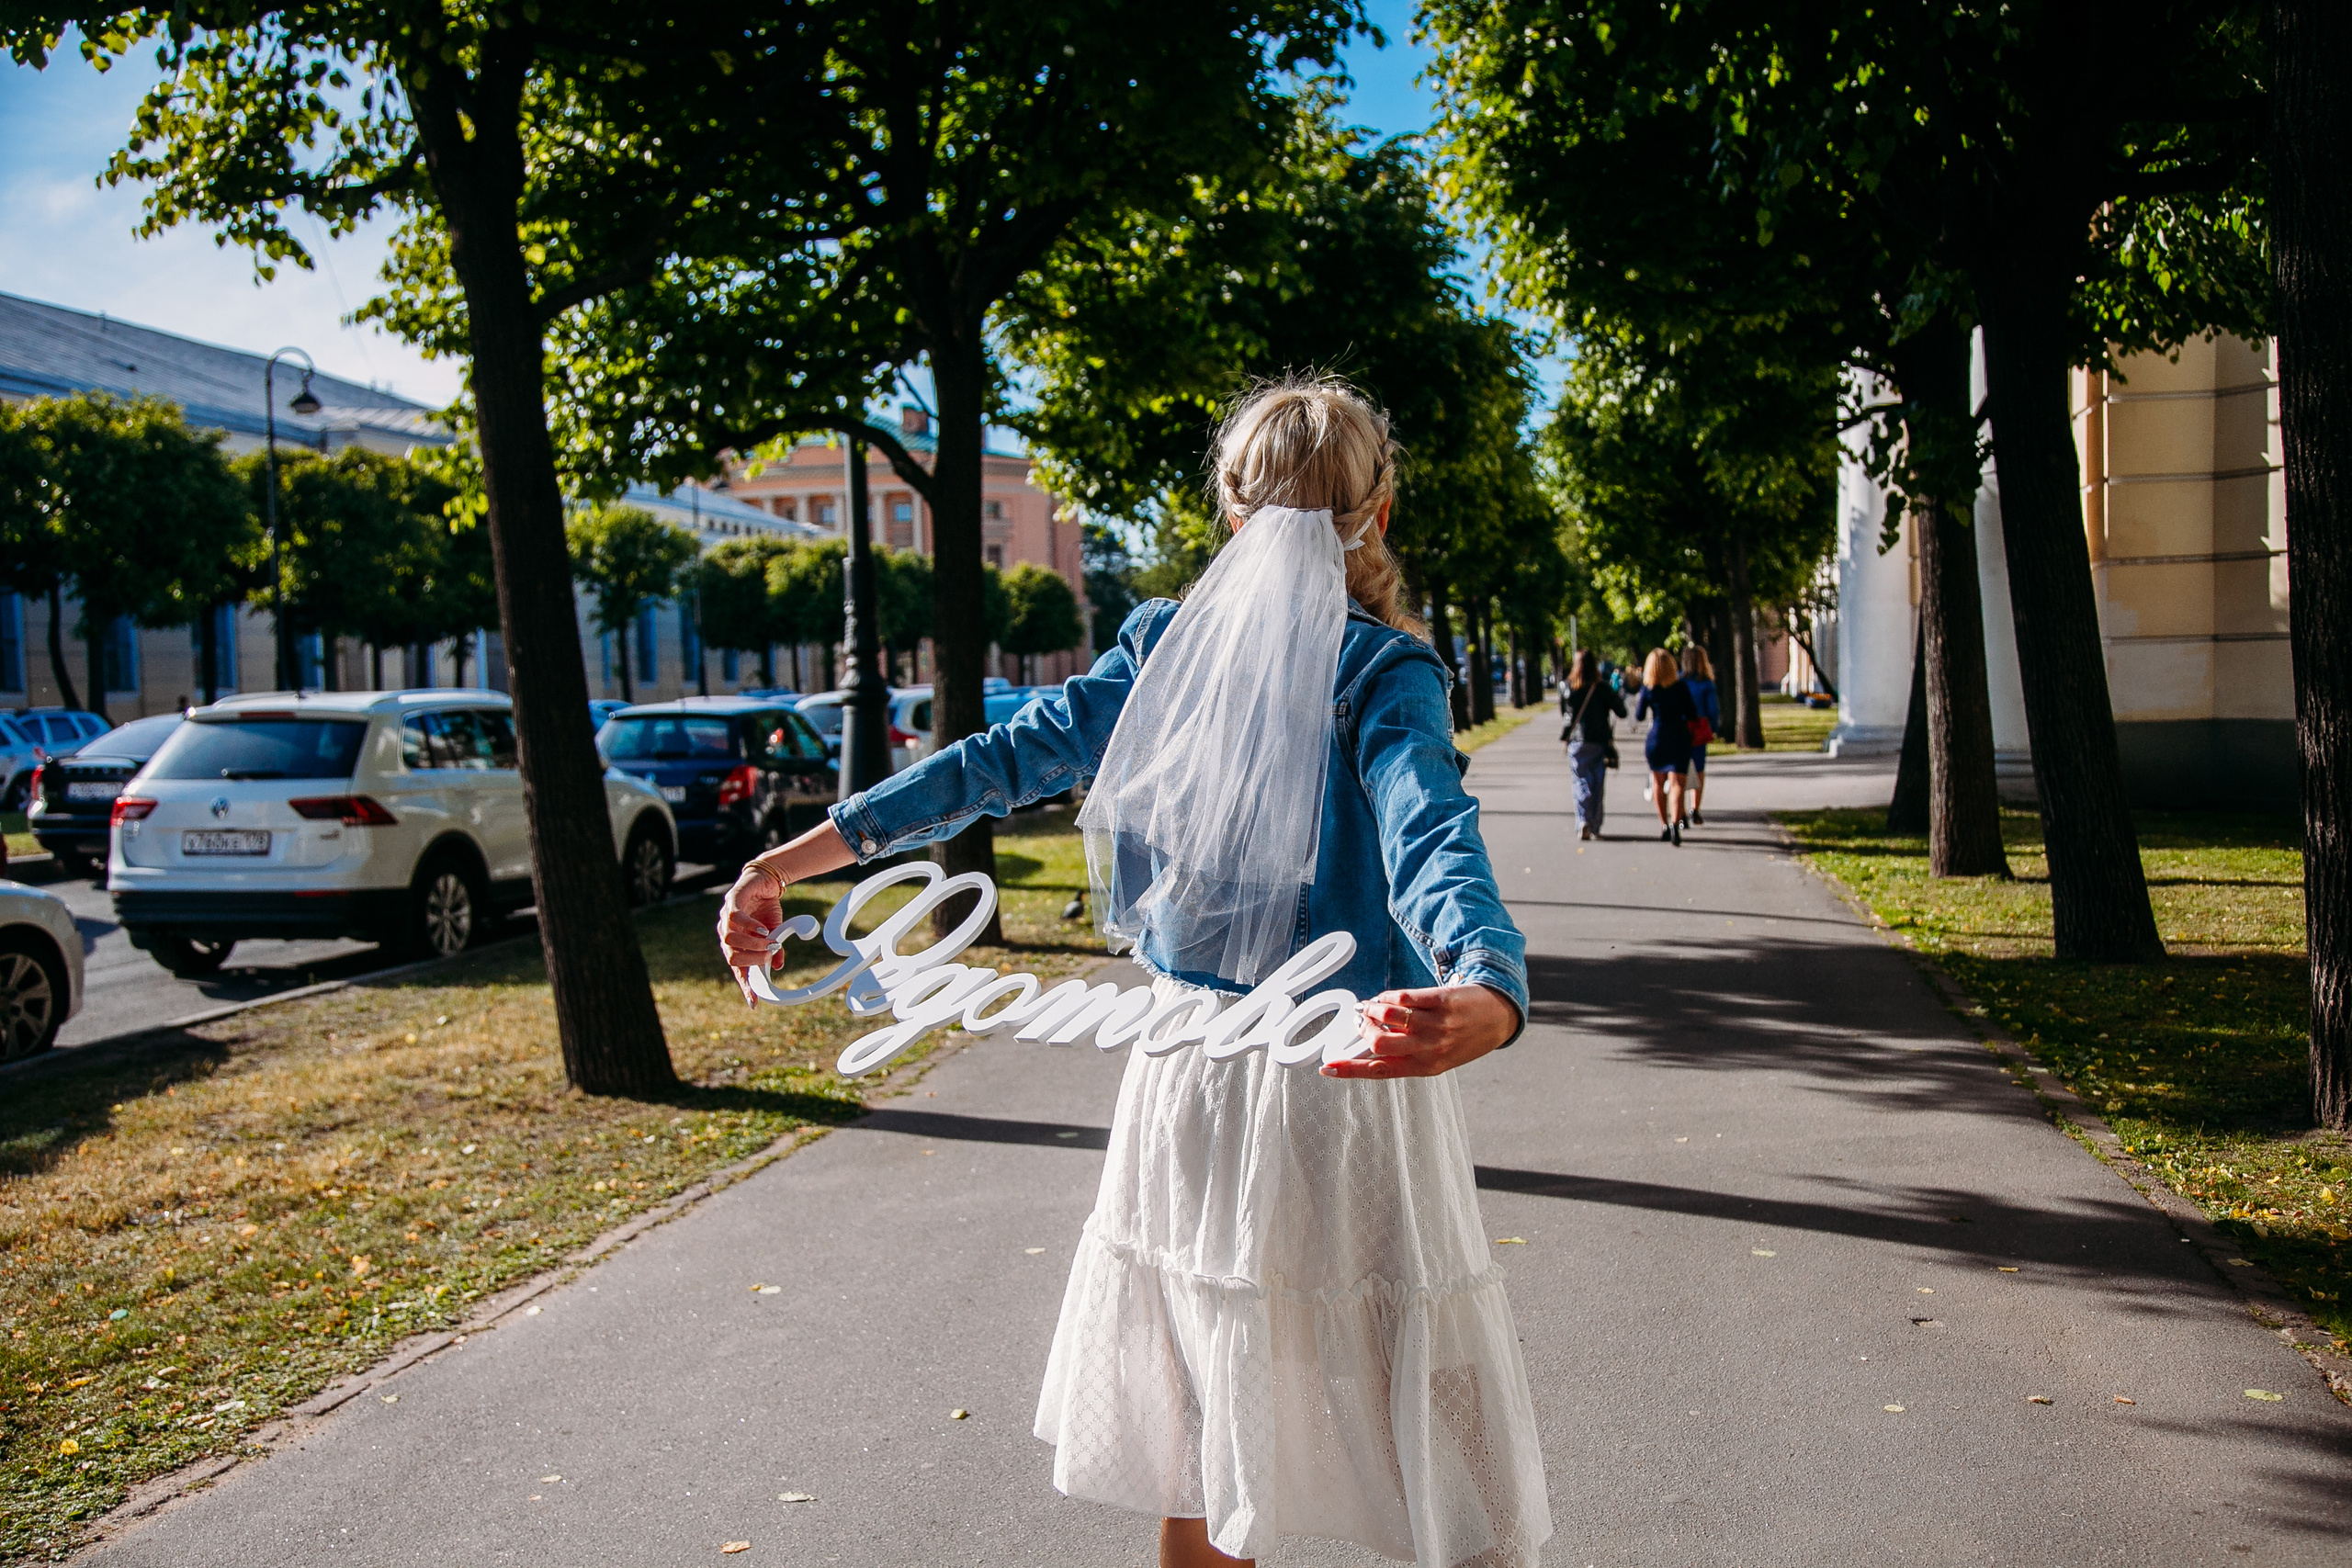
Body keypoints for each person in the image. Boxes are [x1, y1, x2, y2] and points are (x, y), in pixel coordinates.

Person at [718, 376, 1549, 1568]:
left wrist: (787, 857)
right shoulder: (1383, 670)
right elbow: (1431, 832)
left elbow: (992, 762)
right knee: (1430, 1391)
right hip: (1344, 1075)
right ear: (1379, 514)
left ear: (1229, 510)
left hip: (1192, 1077)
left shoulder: (1165, 647)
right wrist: (1487, 979)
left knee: (1213, 1409)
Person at [1634, 647, 1697, 846]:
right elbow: (1693, 714)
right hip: (1679, 737)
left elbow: (1639, 715)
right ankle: (1675, 824)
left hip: (1657, 739)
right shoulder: (1681, 687)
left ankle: (1663, 824)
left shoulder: (1649, 689)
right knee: (1677, 783)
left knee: (1658, 783)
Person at [1561, 648, 1623, 840]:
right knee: (1597, 783)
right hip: (1599, 741)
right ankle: (1595, 824)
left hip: (1578, 741)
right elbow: (1621, 711)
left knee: (1580, 780)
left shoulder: (1569, 687)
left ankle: (1583, 821)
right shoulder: (1602, 688)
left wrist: (1566, 735)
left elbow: (1566, 716)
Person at [1679, 644, 1722, 828]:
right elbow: (1713, 709)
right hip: (1699, 728)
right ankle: (1695, 809)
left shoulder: (1679, 682)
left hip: (1681, 728)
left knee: (1680, 770)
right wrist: (1713, 726)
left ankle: (1679, 811)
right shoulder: (1706, 684)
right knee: (1699, 769)